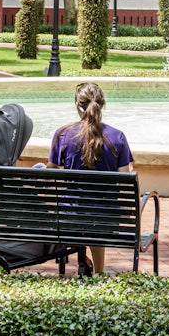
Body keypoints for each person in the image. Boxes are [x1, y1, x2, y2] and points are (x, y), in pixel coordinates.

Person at [48, 82, 134, 274]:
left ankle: (82, 260)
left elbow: (50, 172)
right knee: (97, 214)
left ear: (78, 107)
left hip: (69, 218)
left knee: (79, 210)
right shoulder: (117, 137)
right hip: (106, 219)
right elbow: (124, 181)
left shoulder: (62, 134)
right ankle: (99, 273)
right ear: (102, 105)